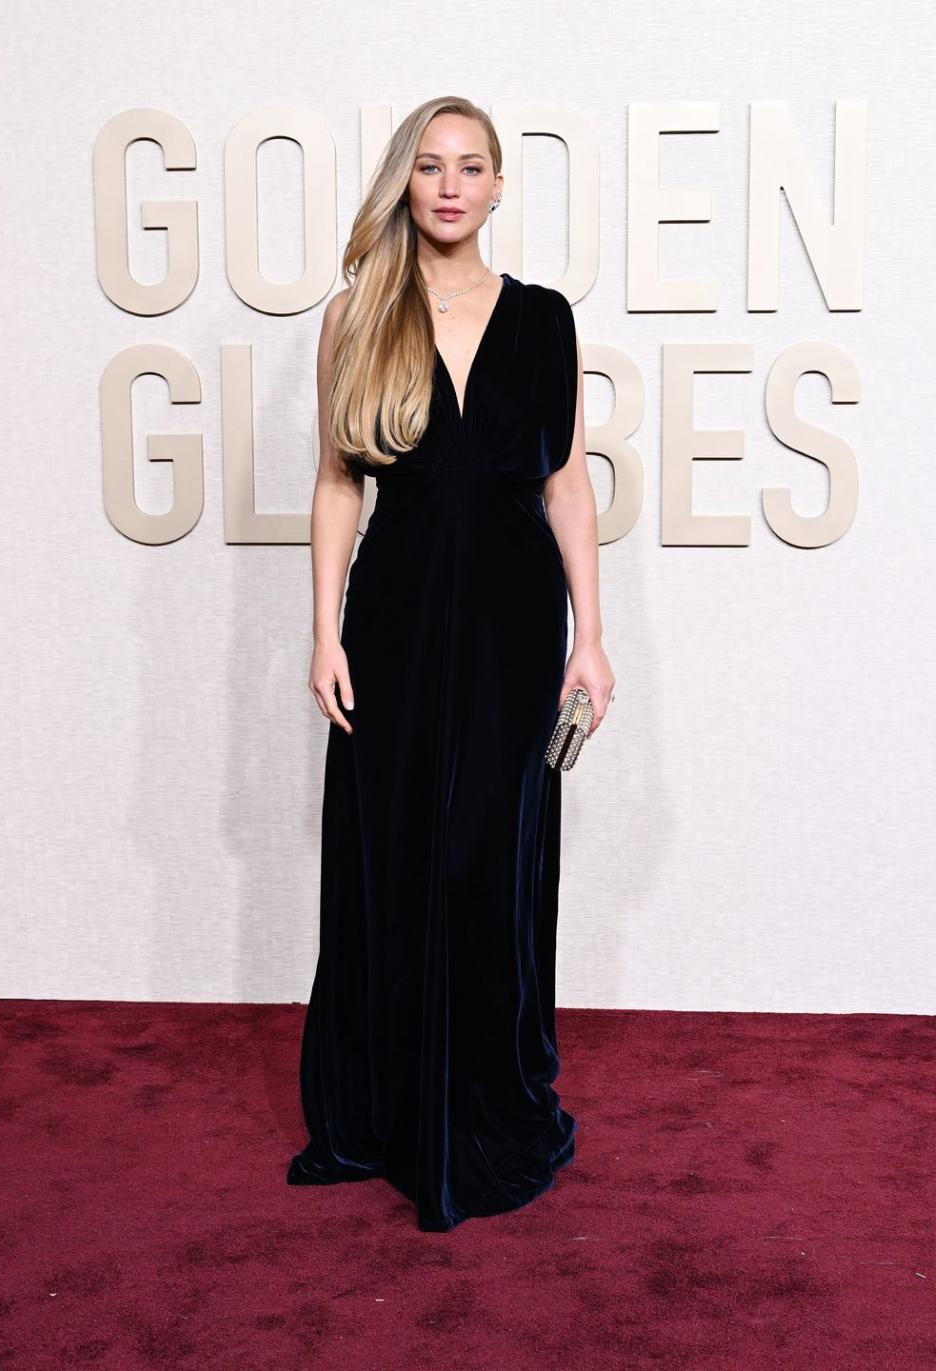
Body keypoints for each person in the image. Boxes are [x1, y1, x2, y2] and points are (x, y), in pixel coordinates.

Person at [286, 95, 615, 1232]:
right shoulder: (357, 315)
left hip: (517, 632)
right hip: (396, 620)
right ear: (405, 181)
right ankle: (387, 1104)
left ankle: (485, 1094)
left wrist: (593, 637)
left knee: (488, 853)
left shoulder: (546, 320)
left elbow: (565, 483)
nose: (450, 185)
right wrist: (323, 629)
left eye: (471, 167)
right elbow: (339, 484)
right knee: (399, 852)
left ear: (498, 187)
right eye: (430, 165)